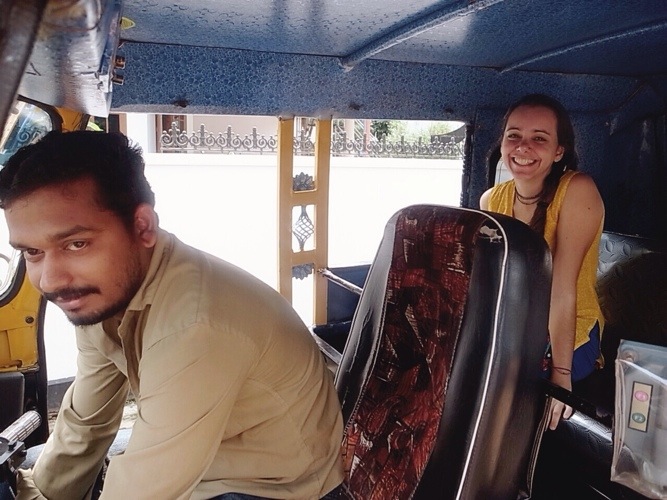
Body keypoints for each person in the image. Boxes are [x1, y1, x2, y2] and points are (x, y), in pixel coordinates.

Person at [0, 131, 345, 499]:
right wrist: (40, 494)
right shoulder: (104, 296)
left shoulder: (195, 324)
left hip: (275, 487)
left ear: (142, 227)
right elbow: (87, 422)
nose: (50, 280)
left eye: (76, 244)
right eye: (32, 252)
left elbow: (142, 491)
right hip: (206, 465)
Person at [480, 94, 605, 431]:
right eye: (514, 135)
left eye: (539, 138)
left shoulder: (577, 190)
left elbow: (562, 291)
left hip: (569, 334)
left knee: (517, 390)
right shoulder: (492, 199)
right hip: (517, 328)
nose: (523, 147)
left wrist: (561, 377)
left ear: (558, 151)